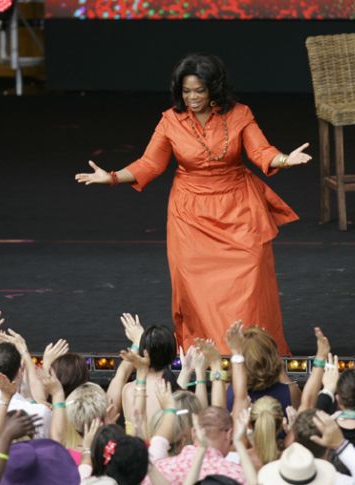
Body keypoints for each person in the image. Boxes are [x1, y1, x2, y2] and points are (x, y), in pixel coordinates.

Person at [75, 52, 311, 354]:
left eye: (199, 90)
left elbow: (261, 150)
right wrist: (111, 177)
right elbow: (150, 163)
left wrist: (284, 160)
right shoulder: (171, 121)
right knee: (196, 290)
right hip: (190, 214)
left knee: (250, 281)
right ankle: (207, 356)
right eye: (186, 91)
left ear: (215, 88)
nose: (193, 97)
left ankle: (252, 357)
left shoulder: (239, 114)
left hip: (239, 209)